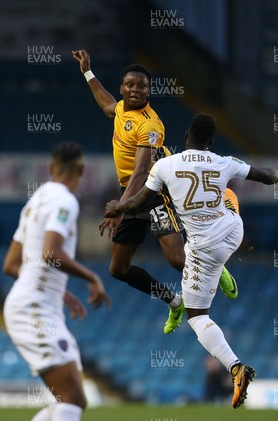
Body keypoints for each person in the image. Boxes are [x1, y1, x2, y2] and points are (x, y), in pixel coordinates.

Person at [105, 113, 278, 408]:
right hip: (234, 233)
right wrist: (276, 175)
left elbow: (139, 201)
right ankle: (224, 242)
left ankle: (236, 367)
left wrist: (117, 206)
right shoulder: (224, 161)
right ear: (211, 141)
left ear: (186, 134)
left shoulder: (164, 165)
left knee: (198, 316)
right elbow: (267, 176)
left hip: (203, 250)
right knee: (225, 195)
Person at [71, 49, 237, 335]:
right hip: (131, 190)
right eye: (130, 85)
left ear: (149, 91)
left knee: (176, 260)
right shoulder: (122, 108)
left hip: (154, 190)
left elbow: (141, 171)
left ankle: (216, 265)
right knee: (118, 270)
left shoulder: (151, 124)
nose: (136, 90)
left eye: (142, 86)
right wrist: (87, 71)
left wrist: (121, 209)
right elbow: (106, 104)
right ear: (123, 88)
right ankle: (174, 302)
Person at [2, 142, 110, 421]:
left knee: (70, 400)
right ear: (81, 170)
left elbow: (11, 265)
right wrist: (92, 277)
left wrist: (61, 295)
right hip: (34, 308)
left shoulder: (34, 202)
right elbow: (51, 252)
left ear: (51, 168)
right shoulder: (66, 200)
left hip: (39, 304)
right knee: (73, 399)